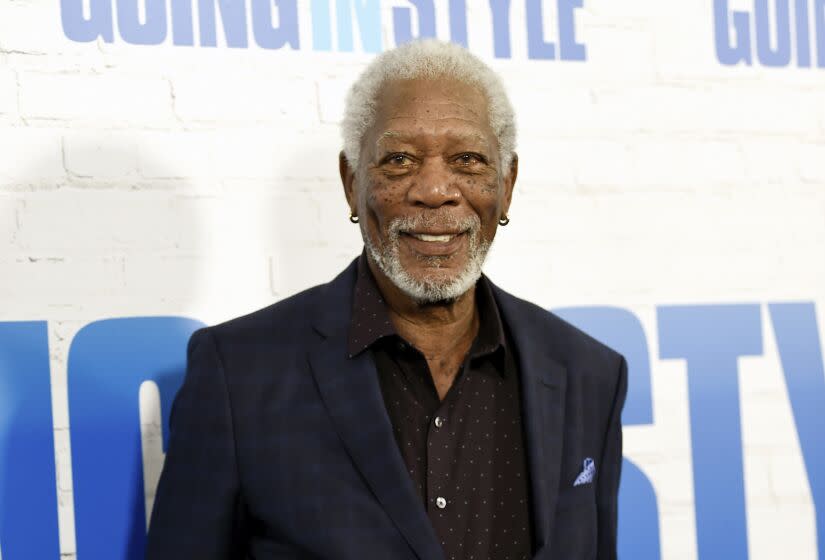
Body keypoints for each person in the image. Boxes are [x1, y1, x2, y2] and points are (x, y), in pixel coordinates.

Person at [146, 39, 627, 560]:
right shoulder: (237, 375)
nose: (436, 190)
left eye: (468, 160)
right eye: (399, 160)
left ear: (506, 185)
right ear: (352, 184)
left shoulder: (588, 375)